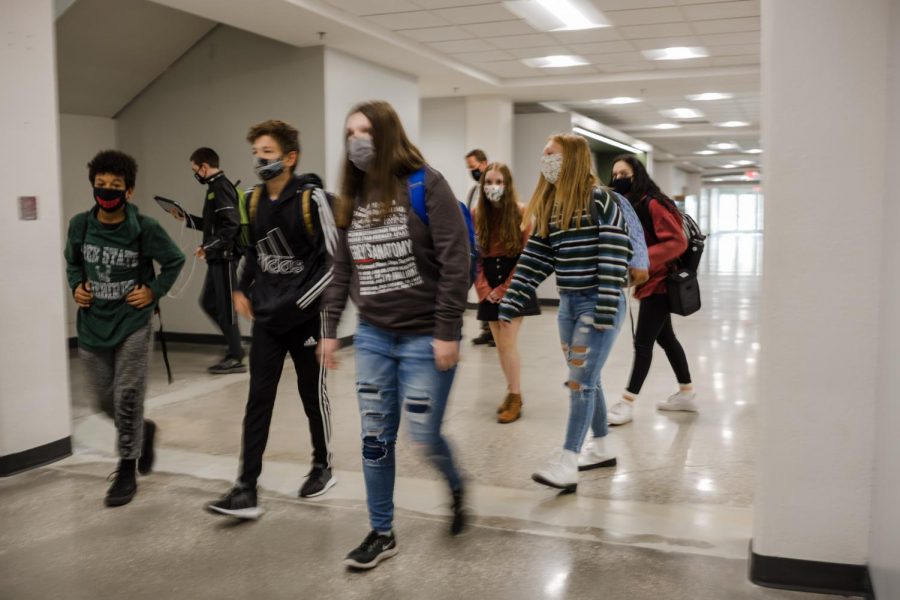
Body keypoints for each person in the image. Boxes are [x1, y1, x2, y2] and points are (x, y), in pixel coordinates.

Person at [320, 100, 469, 570]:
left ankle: (456, 485)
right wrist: (328, 329)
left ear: (387, 134)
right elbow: (342, 269)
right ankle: (381, 532)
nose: (356, 141)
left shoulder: (428, 184)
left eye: (365, 131)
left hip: (426, 338)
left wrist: (447, 330)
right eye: (350, 133)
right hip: (373, 338)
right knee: (375, 437)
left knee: (424, 436)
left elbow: (455, 261)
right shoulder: (354, 195)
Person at [206, 120, 338, 519]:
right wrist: (243, 287)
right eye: (256, 153)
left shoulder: (312, 200)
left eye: (267, 152)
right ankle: (246, 487)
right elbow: (253, 251)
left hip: (304, 320)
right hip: (266, 321)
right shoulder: (251, 200)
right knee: (257, 402)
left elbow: (336, 263)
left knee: (311, 395)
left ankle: (322, 466)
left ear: (289, 157)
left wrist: (301, 305)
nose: (260, 158)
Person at [498, 134, 632, 493]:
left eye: (551, 154)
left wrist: (604, 307)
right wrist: (511, 300)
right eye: (543, 155)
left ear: (571, 158)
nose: (545, 161)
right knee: (589, 377)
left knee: (580, 381)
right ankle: (601, 446)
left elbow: (614, 255)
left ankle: (568, 461)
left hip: (598, 303)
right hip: (569, 304)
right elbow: (536, 258)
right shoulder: (553, 204)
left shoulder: (601, 199)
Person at [64, 150, 185, 507]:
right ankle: (143, 431)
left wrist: (153, 291)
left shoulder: (144, 227)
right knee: (102, 400)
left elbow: (175, 261)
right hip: (92, 326)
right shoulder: (80, 225)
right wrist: (76, 286)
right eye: (100, 186)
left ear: (129, 192)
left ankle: (126, 467)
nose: (106, 192)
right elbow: (73, 262)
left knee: (128, 397)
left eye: (115, 187)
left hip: (133, 324)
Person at [606, 155, 696, 426]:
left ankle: (627, 402)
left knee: (642, 342)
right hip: (651, 282)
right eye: (615, 174)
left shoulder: (653, 203)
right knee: (666, 338)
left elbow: (677, 242)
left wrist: (640, 258)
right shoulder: (633, 204)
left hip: (660, 284)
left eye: (624, 174)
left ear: (637, 175)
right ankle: (686, 392)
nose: (618, 179)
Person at [168, 147, 245, 374]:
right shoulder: (214, 187)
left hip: (225, 257)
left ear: (204, 166)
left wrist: (208, 246)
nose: (196, 174)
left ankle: (236, 357)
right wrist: (187, 218)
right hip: (217, 257)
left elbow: (232, 224)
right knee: (209, 303)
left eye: (195, 170)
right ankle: (236, 347)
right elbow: (214, 224)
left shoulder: (220, 187)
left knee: (225, 308)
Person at [473, 162, 539, 424]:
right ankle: (512, 391)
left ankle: (515, 396)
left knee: (508, 342)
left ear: (508, 184)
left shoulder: (522, 213)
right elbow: (475, 255)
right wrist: (484, 288)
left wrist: (502, 289)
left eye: (498, 182)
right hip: (488, 280)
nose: (493, 187)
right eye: (488, 182)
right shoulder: (477, 213)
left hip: (514, 281)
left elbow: (525, 258)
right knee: (500, 345)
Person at [465, 148, 494, 347]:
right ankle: (485, 329)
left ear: (483, 164)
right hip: (478, 246)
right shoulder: (474, 190)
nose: (471, 171)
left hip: (493, 246)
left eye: (473, 167)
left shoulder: (494, 187)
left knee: (493, 288)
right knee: (481, 288)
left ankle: (495, 330)